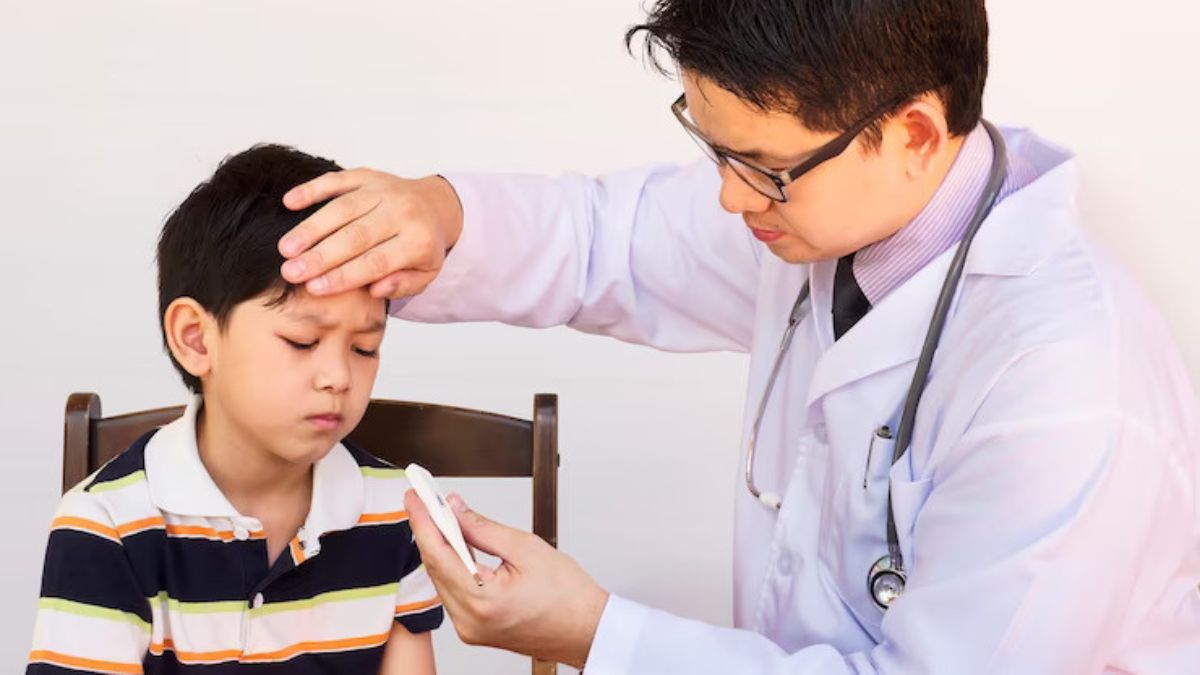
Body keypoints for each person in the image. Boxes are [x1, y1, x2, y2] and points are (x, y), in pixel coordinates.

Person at [276, 1, 1200, 673]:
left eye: (762, 167)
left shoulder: (1067, 389)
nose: (728, 196)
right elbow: (606, 242)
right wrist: (439, 214)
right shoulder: (834, 207)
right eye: (716, 149)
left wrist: (597, 633)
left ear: (915, 134)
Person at [28, 145, 442, 674]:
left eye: (365, 348)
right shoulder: (107, 526)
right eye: (302, 341)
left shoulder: (398, 513)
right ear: (196, 338)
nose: (338, 376)